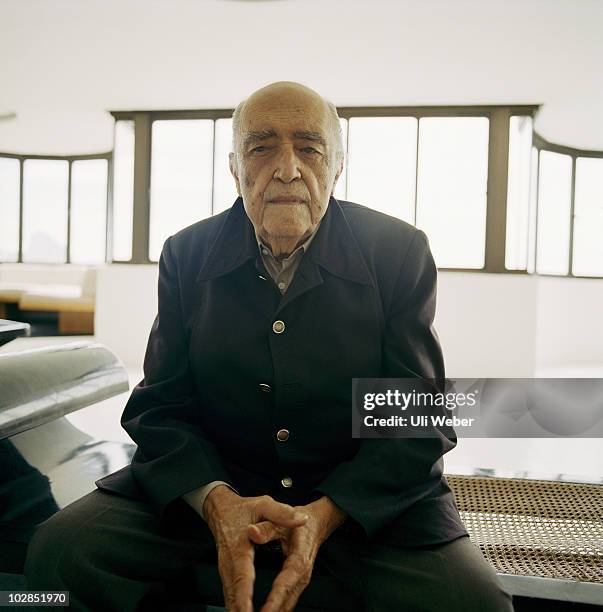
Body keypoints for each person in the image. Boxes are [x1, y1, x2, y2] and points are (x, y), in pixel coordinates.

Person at [25, 81, 513, 612]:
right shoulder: (187, 253)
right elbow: (161, 408)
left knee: (474, 602)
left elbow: (415, 419)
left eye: (309, 147)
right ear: (235, 167)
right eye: (261, 148)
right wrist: (218, 505)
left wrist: (324, 515)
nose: (287, 169)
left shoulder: (397, 251)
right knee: (62, 554)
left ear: (337, 166)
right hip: (221, 491)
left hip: (361, 507)